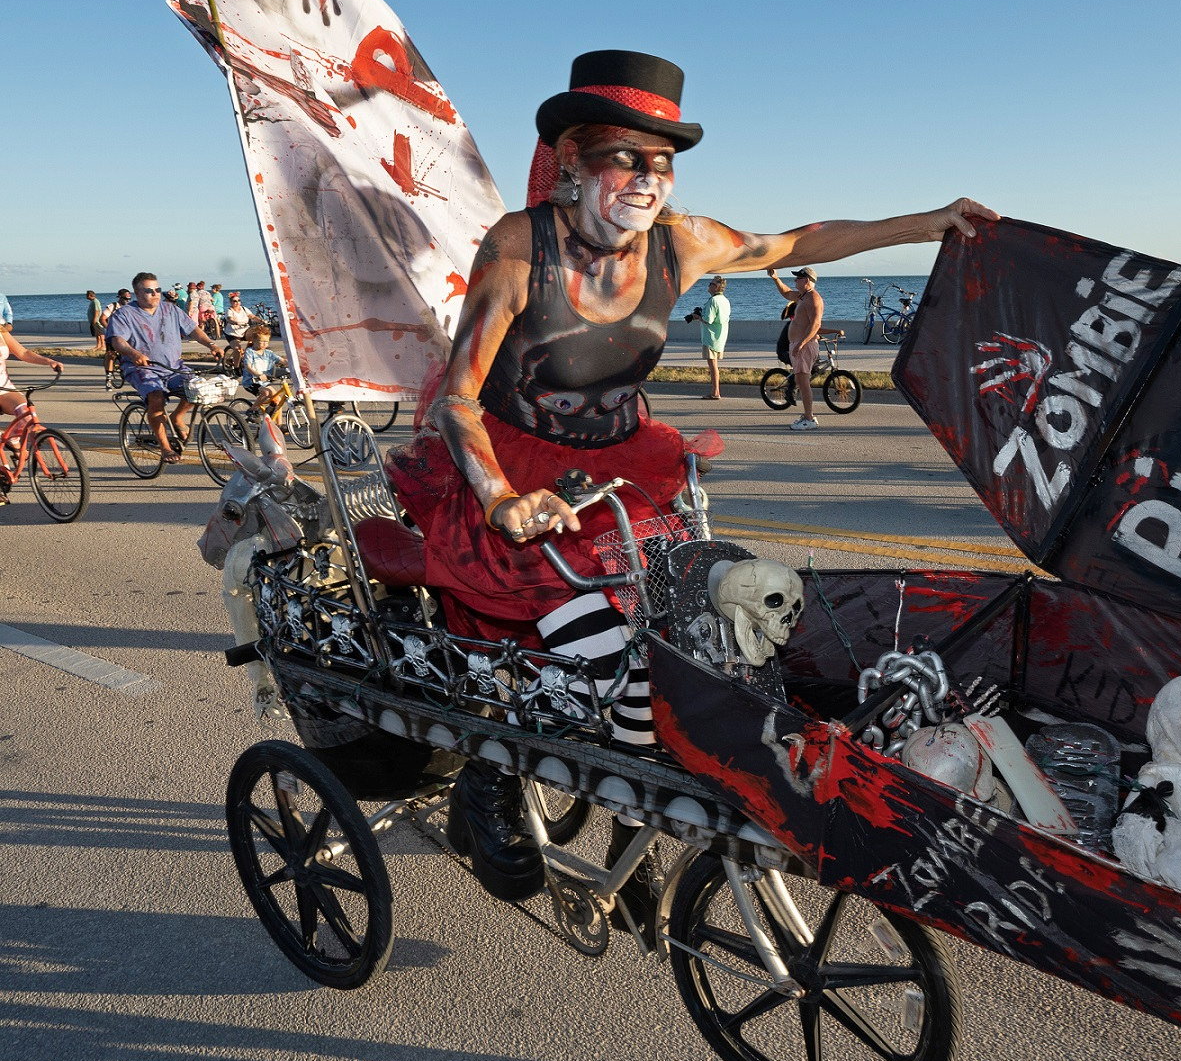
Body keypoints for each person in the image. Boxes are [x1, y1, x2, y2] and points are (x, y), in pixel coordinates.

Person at [386, 48, 996, 907]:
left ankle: (633, 816)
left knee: (696, 635)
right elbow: (457, 399)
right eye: (626, 157)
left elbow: (798, 240)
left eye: (662, 162)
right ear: (570, 162)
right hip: (518, 468)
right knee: (596, 656)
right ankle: (491, 769)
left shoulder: (682, 242)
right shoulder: (521, 248)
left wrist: (924, 223)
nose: (648, 179)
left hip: (624, 468)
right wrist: (498, 495)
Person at [107, 272, 224, 462]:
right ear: (137, 292)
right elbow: (117, 340)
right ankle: (165, 448)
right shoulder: (124, 314)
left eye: (158, 290)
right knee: (156, 398)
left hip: (173, 366)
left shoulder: (171, 309)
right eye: (149, 290)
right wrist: (134, 353)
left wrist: (211, 345)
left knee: (198, 389)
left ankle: (177, 417)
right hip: (142, 368)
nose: (155, 294)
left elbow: (193, 329)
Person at [0, 328, 62, 506]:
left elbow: (22, 352)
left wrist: (48, 361)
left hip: (5, 389)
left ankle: (13, 440)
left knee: (26, 412)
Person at [767, 266, 824, 429]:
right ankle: (807, 415)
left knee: (803, 382)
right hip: (799, 345)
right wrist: (775, 278)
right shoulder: (802, 297)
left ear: (806, 281)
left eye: (798, 278)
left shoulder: (814, 299)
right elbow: (786, 293)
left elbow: (816, 324)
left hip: (804, 346)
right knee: (800, 380)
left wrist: (801, 343)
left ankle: (809, 419)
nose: (795, 281)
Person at [685, 274, 732, 398]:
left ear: (716, 287)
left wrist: (697, 317)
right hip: (720, 336)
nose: (708, 285)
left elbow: (708, 319)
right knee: (714, 365)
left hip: (710, 338)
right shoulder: (725, 300)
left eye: (711, 283)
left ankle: (715, 392)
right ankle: (715, 391)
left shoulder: (713, 301)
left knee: (713, 366)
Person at [238, 324, 287, 404]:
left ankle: (272, 415)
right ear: (254, 340)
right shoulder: (250, 352)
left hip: (264, 383)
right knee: (266, 393)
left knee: (278, 401)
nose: (265, 344)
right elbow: (248, 367)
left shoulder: (269, 353)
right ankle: (253, 410)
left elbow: (283, 361)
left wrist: (296, 365)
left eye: (267, 342)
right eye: (262, 341)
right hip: (251, 382)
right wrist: (258, 375)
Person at [100, 290, 130, 382]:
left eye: (129, 299)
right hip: (113, 335)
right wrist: (110, 329)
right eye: (125, 299)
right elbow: (102, 319)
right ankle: (108, 376)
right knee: (111, 355)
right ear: (119, 297)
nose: (127, 301)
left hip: (125, 335)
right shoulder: (112, 307)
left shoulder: (130, 307)